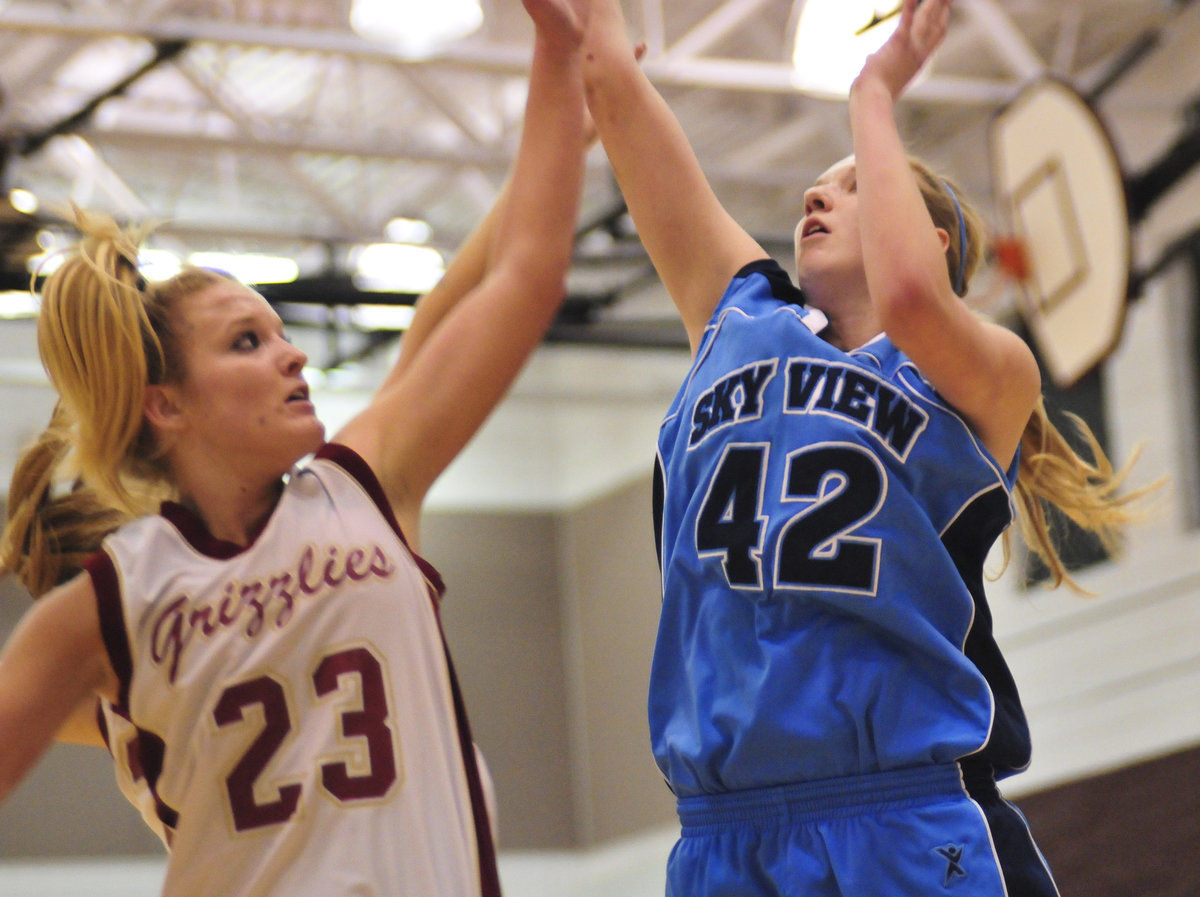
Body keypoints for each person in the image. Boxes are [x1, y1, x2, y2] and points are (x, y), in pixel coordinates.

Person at [0, 0, 588, 893]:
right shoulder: (117, 605)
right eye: (247, 341)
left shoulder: (363, 485)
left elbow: (520, 279)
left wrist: (559, 53)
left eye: (279, 332)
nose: (295, 352)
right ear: (166, 406)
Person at [582, 0, 1153, 895]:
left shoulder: (985, 373)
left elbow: (916, 301)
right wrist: (574, 29)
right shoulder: (736, 319)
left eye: (850, 186)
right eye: (821, 184)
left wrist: (875, 93)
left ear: (932, 242)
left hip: (906, 817)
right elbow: (614, 92)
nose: (816, 196)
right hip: (724, 834)